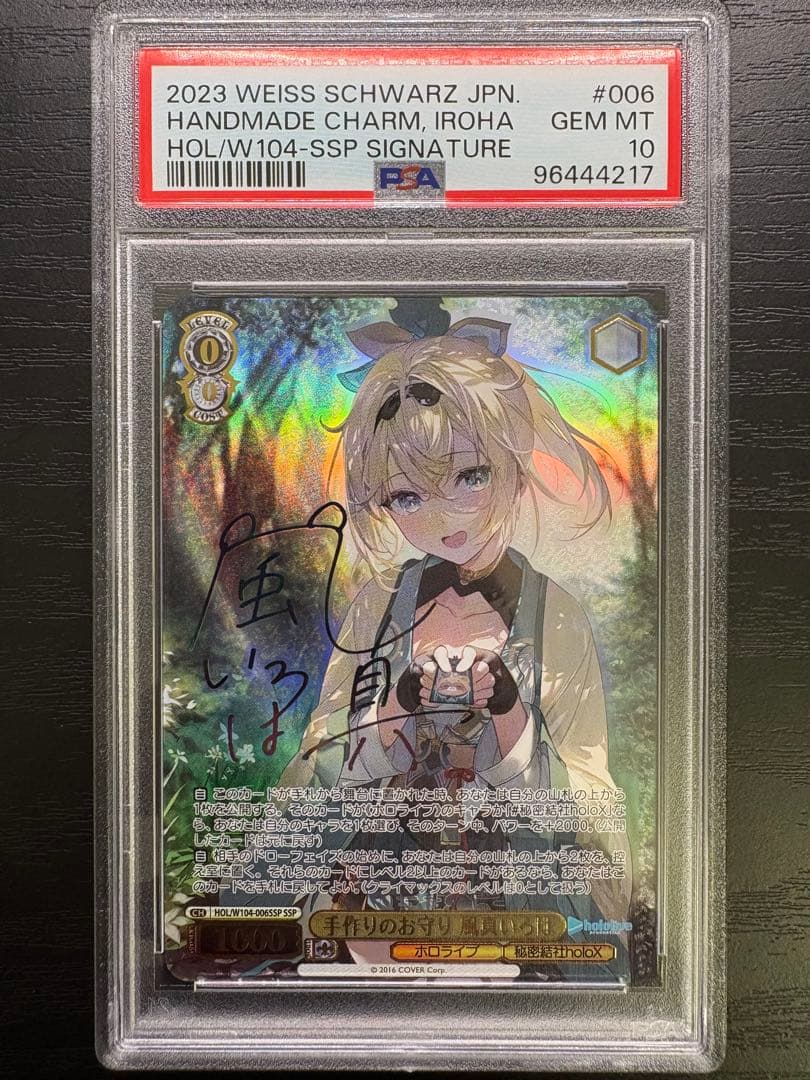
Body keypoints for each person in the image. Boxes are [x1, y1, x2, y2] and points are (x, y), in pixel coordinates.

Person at [280, 299, 631, 937]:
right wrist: (390, 714)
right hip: (374, 909)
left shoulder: (556, 616)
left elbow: (593, 801)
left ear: (514, 468)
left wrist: (510, 717)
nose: (444, 519)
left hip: (513, 917)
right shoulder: (379, 605)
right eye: (407, 495)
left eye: (471, 476)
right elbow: (310, 772)